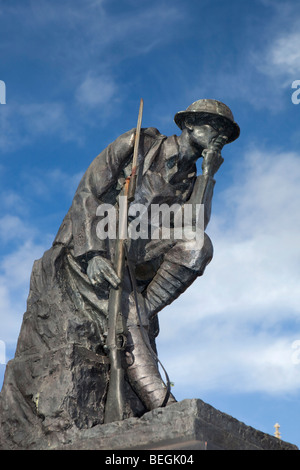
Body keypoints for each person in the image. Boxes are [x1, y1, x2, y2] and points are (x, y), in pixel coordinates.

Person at [0, 99, 239, 448]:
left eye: (224, 133)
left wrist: (207, 175)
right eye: (212, 126)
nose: (218, 136)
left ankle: (141, 311)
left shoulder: (192, 175)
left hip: (139, 255)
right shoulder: (140, 144)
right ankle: (158, 399)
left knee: (198, 246)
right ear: (189, 125)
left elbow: (194, 225)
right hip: (97, 245)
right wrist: (92, 254)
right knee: (124, 309)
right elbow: (88, 192)